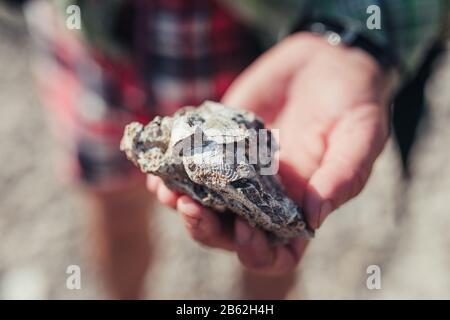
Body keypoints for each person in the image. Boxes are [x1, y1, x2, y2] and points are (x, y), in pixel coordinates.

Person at [23, 0, 448, 298]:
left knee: (268, 247)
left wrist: (352, 36)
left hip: (258, 38)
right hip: (93, 38)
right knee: (116, 211)